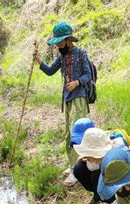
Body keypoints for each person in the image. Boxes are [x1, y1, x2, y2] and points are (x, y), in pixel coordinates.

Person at [34, 21, 91, 187]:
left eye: (60, 41)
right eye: (56, 42)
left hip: (79, 97)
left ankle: (77, 171)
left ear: (68, 40)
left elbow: (88, 75)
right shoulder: (62, 56)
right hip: (67, 99)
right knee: (68, 133)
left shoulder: (81, 53)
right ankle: (72, 164)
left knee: (78, 133)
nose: (58, 45)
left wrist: (77, 83)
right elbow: (50, 71)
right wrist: (38, 60)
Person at [73, 126, 130, 204]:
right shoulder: (99, 157)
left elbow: (129, 189)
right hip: (117, 190)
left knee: (97, 176)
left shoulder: (118, 160)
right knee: (79, 167)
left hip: (128, 194)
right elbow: (91, 165)